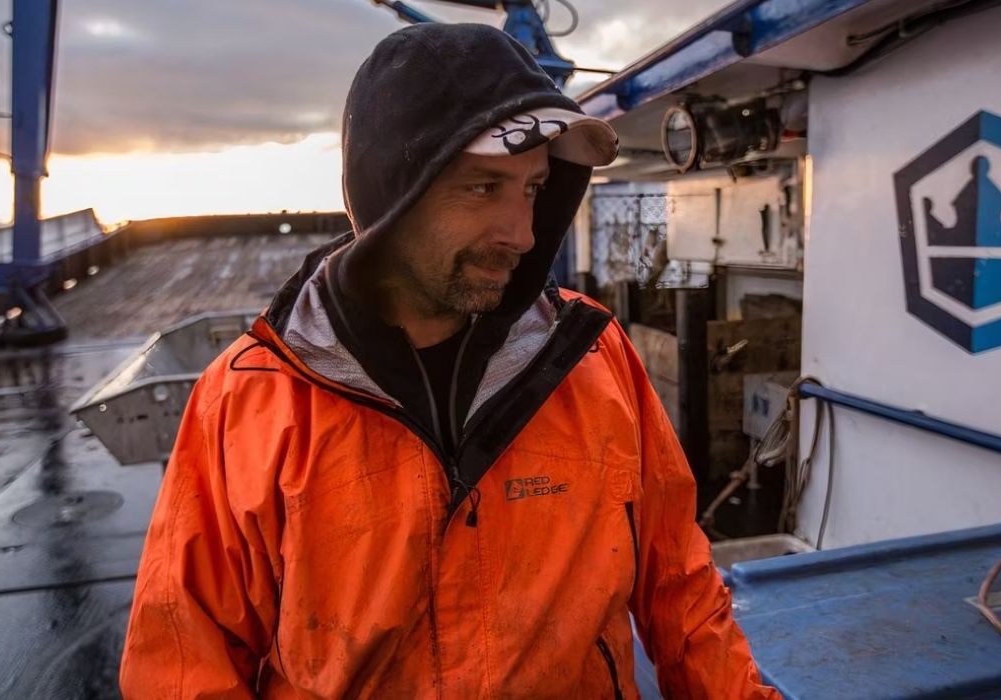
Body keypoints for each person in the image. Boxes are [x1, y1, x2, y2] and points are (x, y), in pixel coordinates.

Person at [120, 22, 780, 700]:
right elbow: (183, 665)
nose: (522, 234)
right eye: (483, 187)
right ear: (391, 194)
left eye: (531, 189)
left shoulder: (594, 357)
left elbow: (681, 588)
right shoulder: (247, 402)